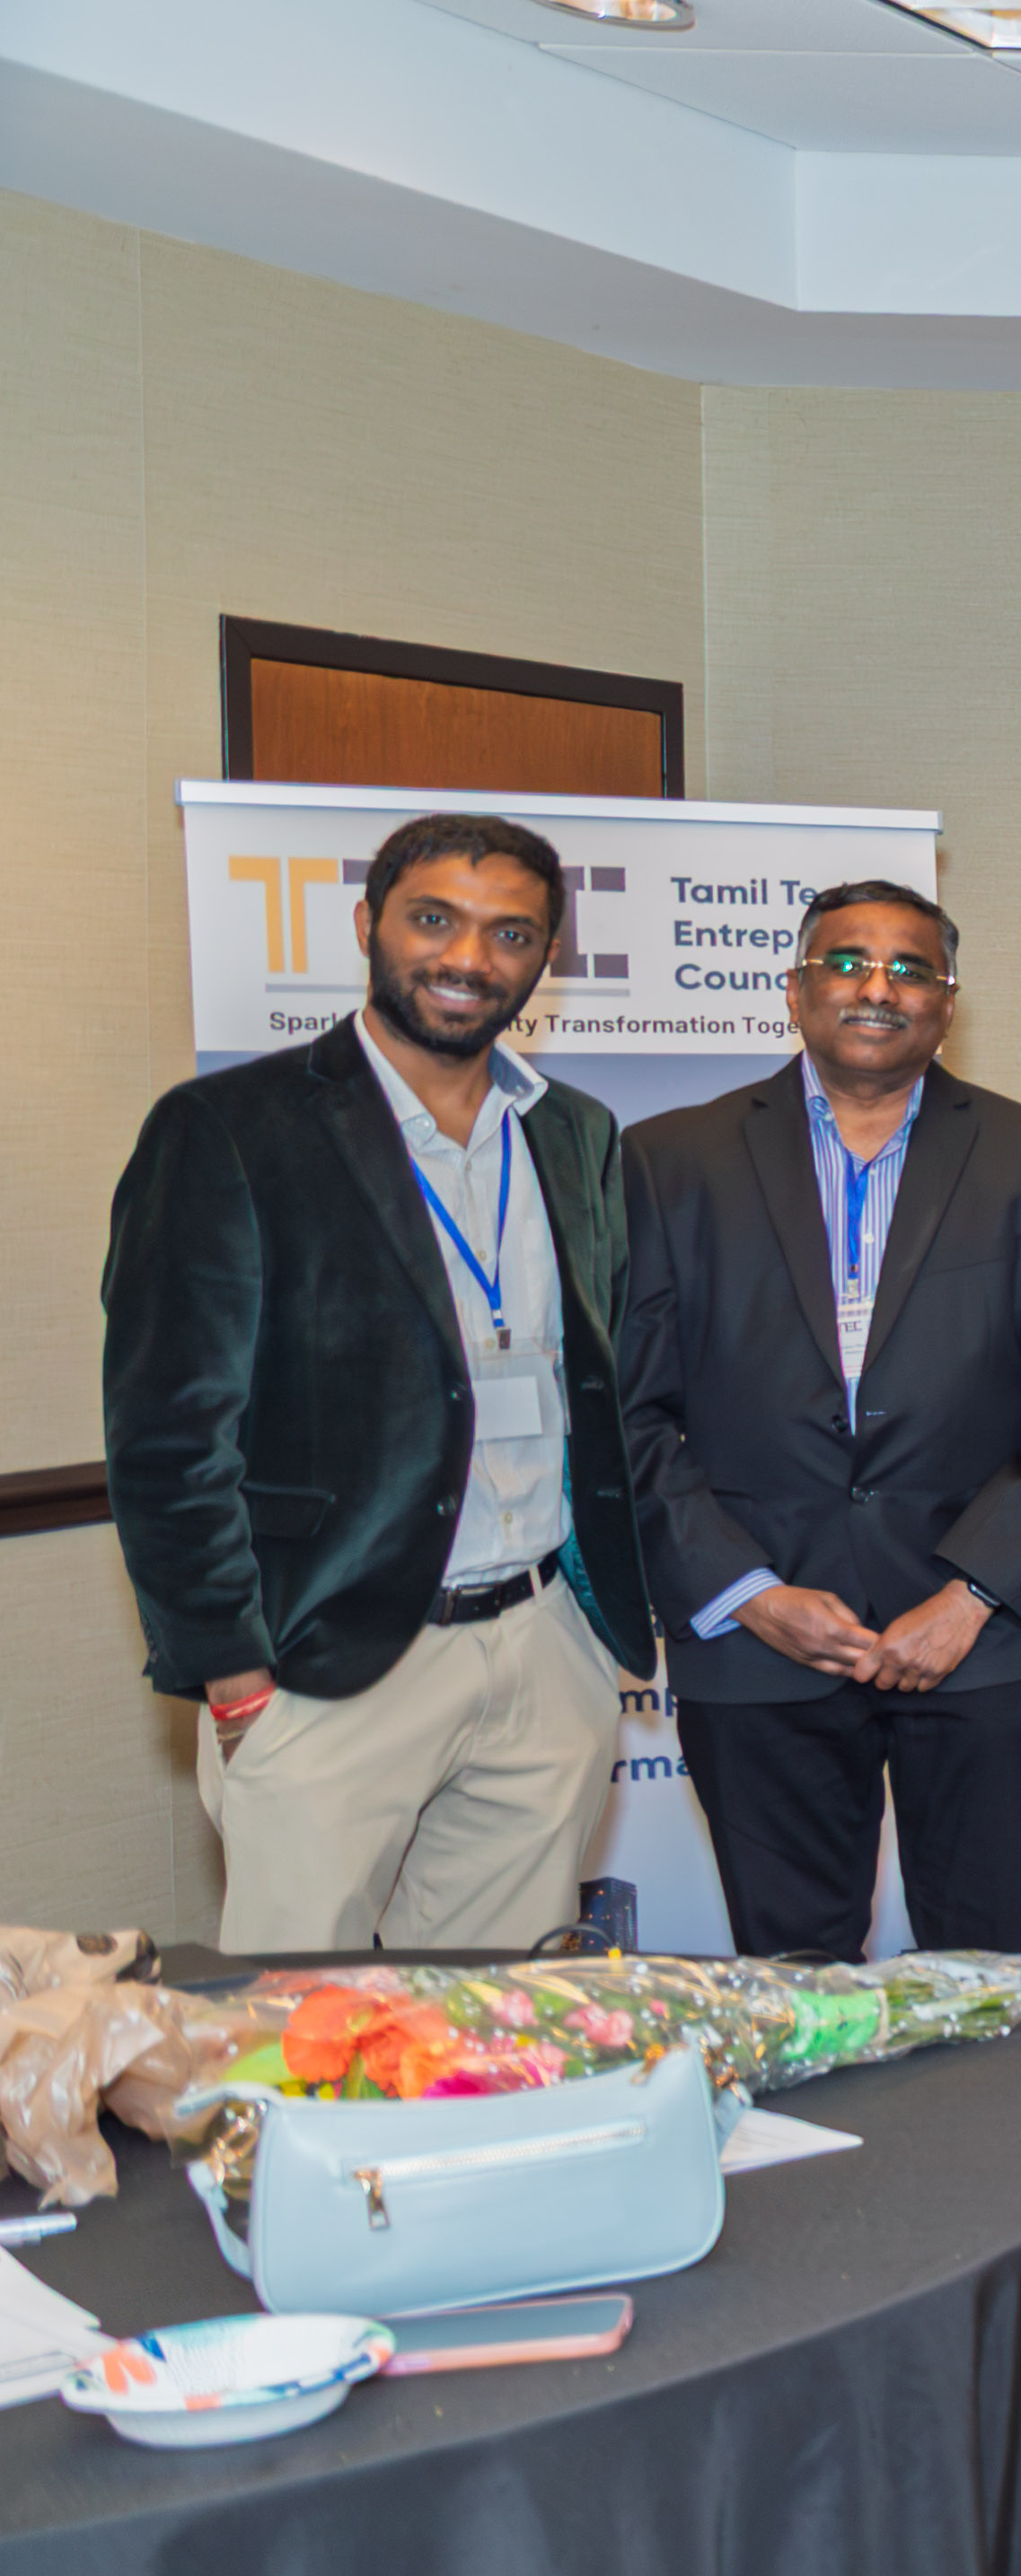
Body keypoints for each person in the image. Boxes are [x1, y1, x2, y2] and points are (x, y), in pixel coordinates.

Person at [101, 810, 658, 1953]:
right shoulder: (227, 1128)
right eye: (434, 920)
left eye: (512, 932)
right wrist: (233, 1674)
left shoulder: (577, 1134)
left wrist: (591, 1644)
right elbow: (167, 1433)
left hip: (545, 1638)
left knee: (490, 2022)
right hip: (330, 1656)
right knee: (294, 2026)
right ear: (368, 925)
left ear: (544, 958)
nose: (469, 958)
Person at [614, 880, 1021, 1957]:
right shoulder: (668, 1161)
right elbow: (631, 1410)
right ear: (796, 990)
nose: (877, 987)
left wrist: (971, 1593)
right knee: (794, 1974)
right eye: (848, 962)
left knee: (996, 1974)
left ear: (948, 1003)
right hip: (759, 1635)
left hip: (982, 1638)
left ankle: (989, 2137)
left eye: (910, 968)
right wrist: (749, 1594)